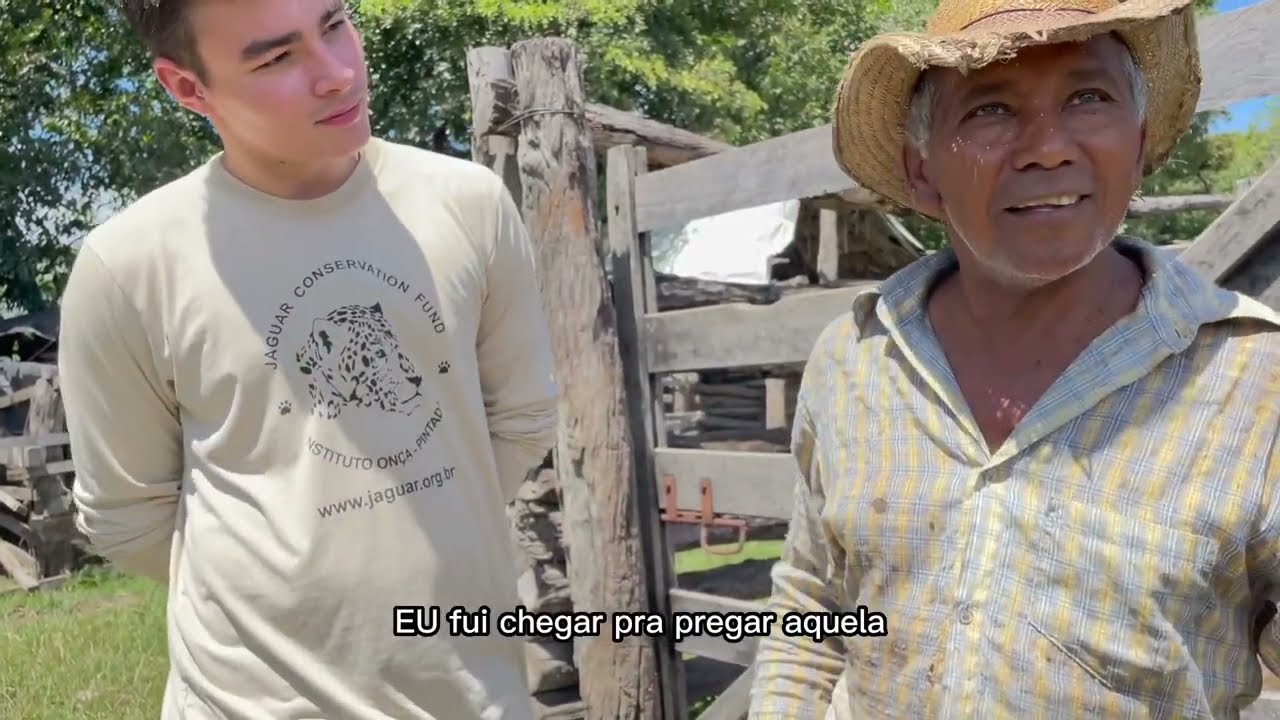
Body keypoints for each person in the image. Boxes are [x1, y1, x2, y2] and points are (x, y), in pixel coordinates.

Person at [749, 0, 1280, 716]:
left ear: (1141, 140)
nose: (1047, 148)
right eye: (989, 110)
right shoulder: (854, 359)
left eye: (1089, 98)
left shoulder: (1253, 381)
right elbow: (812, 607)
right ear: (922, 172)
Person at [56, 0, 559, 718]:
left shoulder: (469, 205)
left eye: (335, 23)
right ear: (188, 89)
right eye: (276, 58)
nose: (337, 72)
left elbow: (523, 415)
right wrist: (288, 581)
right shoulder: (127, 266)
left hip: (478, 698)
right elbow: (126, 517)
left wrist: (429, 509)